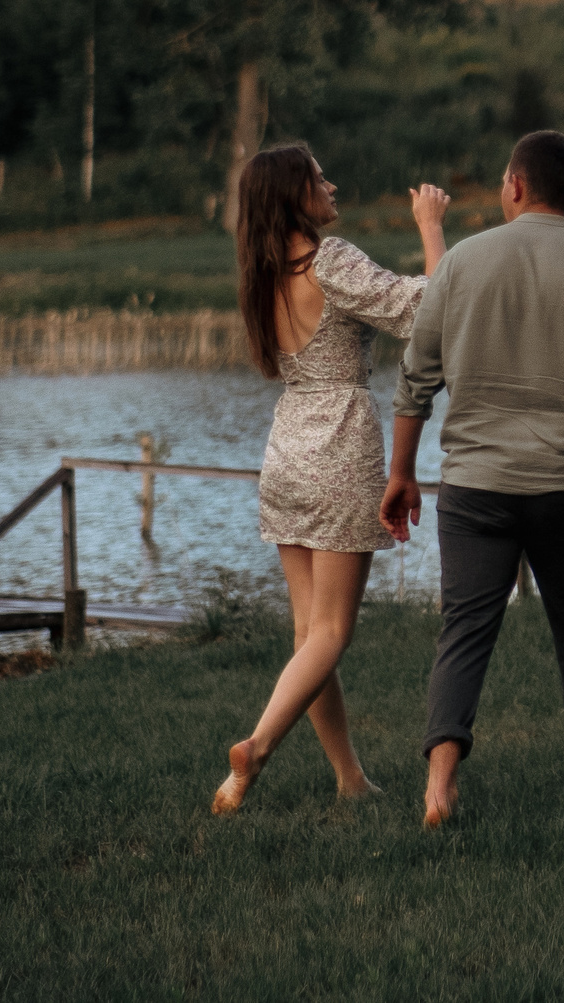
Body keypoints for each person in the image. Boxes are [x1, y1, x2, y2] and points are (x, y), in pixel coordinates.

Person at [380, 129, 564, 828]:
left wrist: (401, 473)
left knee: (464, 631)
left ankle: (438, 789)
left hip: (475, 486)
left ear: (515, 185)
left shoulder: (459, 264)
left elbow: (415, 380)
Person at [212, 143, 450, 816]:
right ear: (294, 195)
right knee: (334, 630)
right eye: (318, 177)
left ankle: (349, 778)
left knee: (308, 632)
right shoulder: (331, 259)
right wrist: (430, 227)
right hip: (340, 444)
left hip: (287, 446)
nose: (331, 183)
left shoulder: (262, 275)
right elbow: (423, 311)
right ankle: (255, 747)